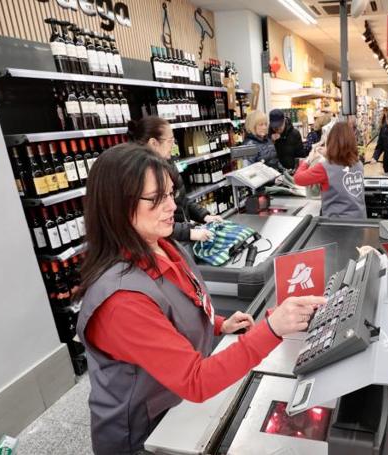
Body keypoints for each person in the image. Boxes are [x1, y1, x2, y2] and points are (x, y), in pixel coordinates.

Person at [75, 144, 324, 454]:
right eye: (156, 199)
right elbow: (195, 380)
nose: (171, 207)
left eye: (169, 194)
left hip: (173, 409)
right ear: (116, 206)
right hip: (143, 435)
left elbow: (178, 305)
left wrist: (219, 324)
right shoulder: (121, 301)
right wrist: (272, 328)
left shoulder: (163, 246)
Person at [127, 117, 223, 243]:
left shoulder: (168, 164)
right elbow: (149, 222)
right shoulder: (139, 175)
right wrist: (188, 233)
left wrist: (204, 216)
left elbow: (181, 200)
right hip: (164, 242)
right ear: (153, 143)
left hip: (179, 237)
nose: (174, 145)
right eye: (170, 141)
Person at [294, 122, 366, 219]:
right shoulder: (358, 165)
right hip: (360, 221)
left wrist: (308, 160)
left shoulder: (325, 167)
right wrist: (328, 154)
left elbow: (298, 179)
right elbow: (341, 164)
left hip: (335, 224)